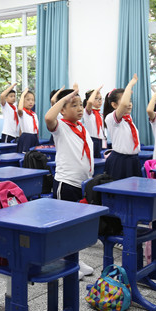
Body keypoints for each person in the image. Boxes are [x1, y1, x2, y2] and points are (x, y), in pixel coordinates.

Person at [45, 87, 94, 280]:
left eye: (81, 104)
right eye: (74, 105)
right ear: (62, 110)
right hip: (66, 184)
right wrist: (62, 99)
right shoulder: (61, 127)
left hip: (81, 184)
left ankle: (75, 258)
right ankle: (63, 261)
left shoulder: (81, 127)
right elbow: (49, 117)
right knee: (64, 226)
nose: (80, 108)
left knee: (76, 226)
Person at [103, 75, 141, 180]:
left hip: (133, 159)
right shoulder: (111, 118)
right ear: (114, 105)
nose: (129, 104)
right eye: (126, 100)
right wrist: (130, 85)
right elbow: (123, 105)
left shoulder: (128, 118)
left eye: (130, 100)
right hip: (120, 161)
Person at [82, 86, 105, 158]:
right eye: (96, 98)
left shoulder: (101, 115)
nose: (99, 101)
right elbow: (89, 102)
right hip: (92, 140)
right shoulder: (88, 113)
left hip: (100, 141)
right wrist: (96, 91)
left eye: (100, 99)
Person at [16, 88, 39, 153]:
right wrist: (22, 95)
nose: (31, 102)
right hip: (26, 137)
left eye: (32, 100)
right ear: (23, 101)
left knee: (35, 155)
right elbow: (19, 109)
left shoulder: (34, 114)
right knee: (26, 156)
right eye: (28, 100)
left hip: (34, 137)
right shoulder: (23, 113)